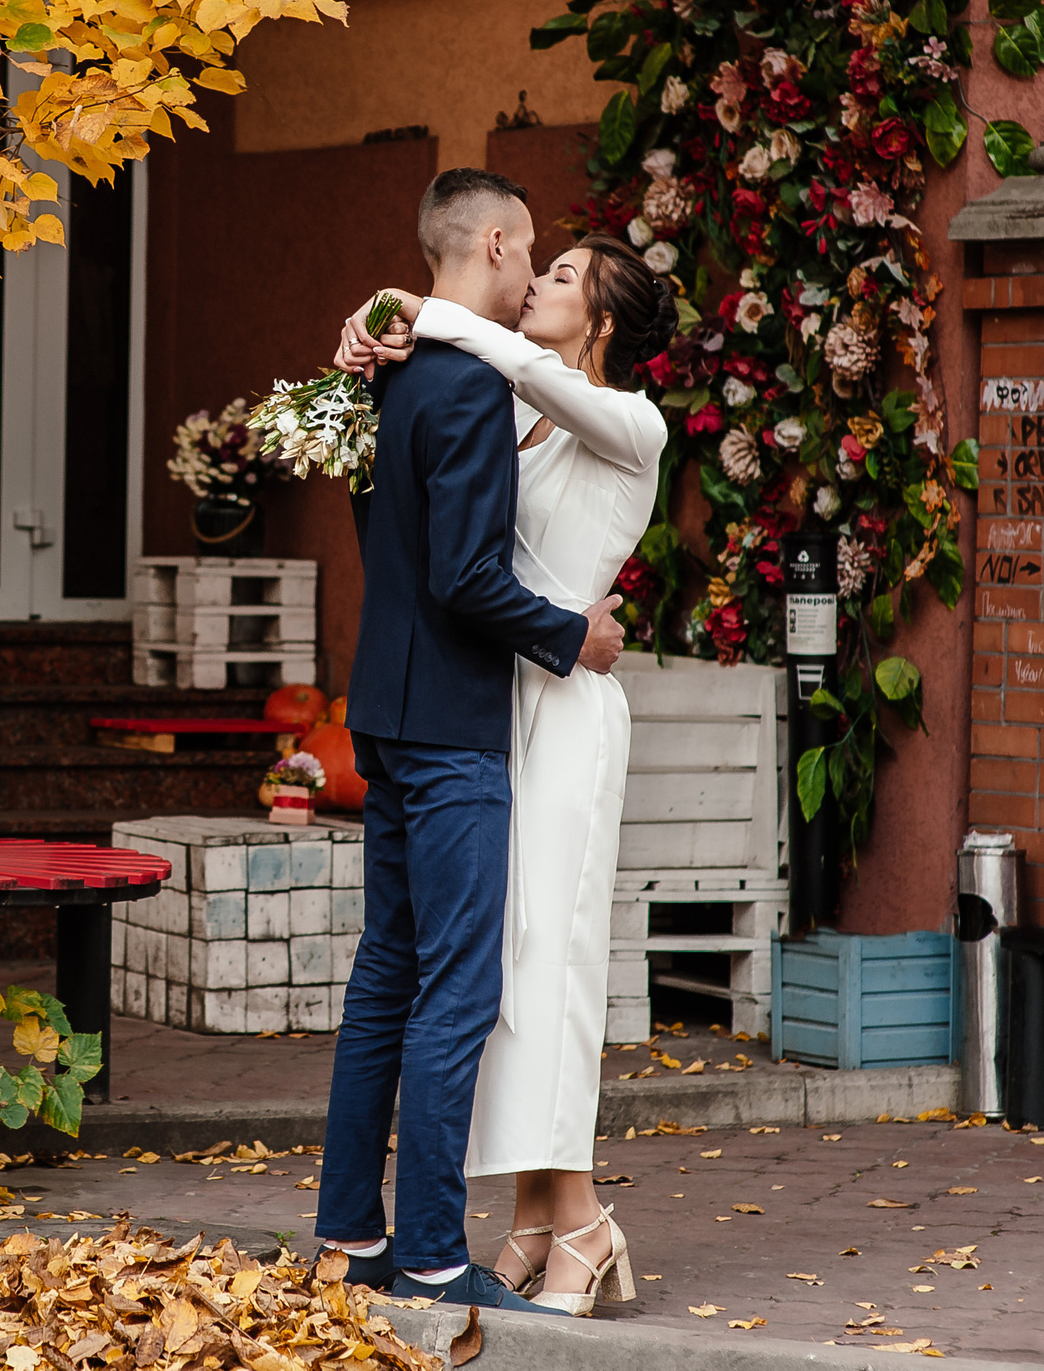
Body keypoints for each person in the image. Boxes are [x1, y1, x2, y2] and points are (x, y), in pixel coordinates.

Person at [335, 232, 678, 1315]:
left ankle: (576, 1218)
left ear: (606, 322)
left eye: (564, 277)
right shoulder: (517, 414)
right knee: (503, 976)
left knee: (555, 969)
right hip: (489, 697)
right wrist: (378, 346)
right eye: (541, 265)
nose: (537, 283)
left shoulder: (630, 422)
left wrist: (410, 304)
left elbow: (523, 365)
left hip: (566, 710)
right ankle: (541, 1217)